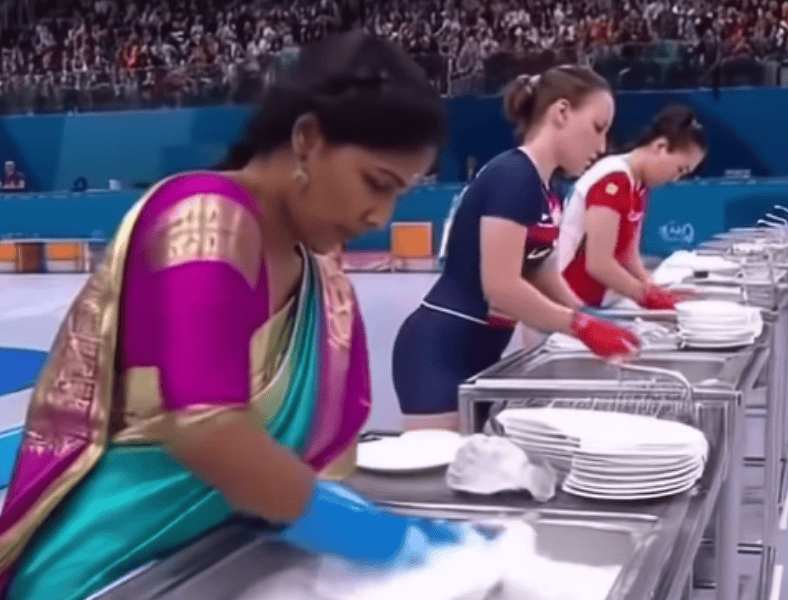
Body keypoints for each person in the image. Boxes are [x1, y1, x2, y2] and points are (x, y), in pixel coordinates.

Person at [0, 32, 468, 600]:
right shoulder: (205, 219)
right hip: (111, 570)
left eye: (401, 195)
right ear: (307, 139)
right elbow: (207, 426)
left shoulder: (320, 275)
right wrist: (377, 538)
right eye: (376, 184)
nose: (380, 215)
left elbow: (303, 456)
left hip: (217, 555)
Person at [393, 66, 641, 432]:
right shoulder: (513, 176)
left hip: (481, 351)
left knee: (472, 472)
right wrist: (581, 325)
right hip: (439, 351)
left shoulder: (547, 191)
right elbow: (502, 287)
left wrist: (593, 318)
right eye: (597, 128)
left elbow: (540, 273)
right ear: (561, 113)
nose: (602, 147)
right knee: (435, 480)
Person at [558, 105, 708, 309]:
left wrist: (653, 287)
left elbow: (628, 254)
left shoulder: (638, 184)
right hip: (570, 300)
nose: (676, 178)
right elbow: (598, 264)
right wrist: (646, 296)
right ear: (661, 146)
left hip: (600, 301)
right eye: (680, 169)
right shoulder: (613, 180)